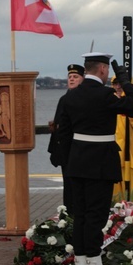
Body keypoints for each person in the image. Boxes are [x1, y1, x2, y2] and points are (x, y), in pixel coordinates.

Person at [56, 53, 133, 265]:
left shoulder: (71, 97)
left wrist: (69, 164)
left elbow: (62, 135)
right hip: (100, 162)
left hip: (76, 164)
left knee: (81, 217)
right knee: (95, 217)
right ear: (104, 69)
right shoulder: (105, 95)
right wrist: (126, 82)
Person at [47, 63, 85, 211]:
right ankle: (68, 215)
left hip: (78, 149)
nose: (72, 79)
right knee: (68, 188)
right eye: (70, 77)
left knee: (77, 188)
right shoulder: (64, 99)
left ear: (83, 79)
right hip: (65, 150)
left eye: (76, 77)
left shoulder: (83, 99)